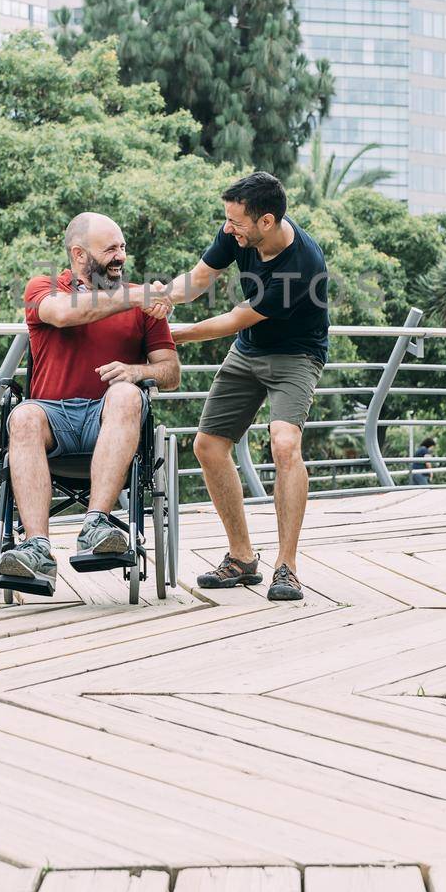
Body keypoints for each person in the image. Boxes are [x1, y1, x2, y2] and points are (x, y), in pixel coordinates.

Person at [157, 170, 328, 602]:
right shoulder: (236, 234)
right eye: (227, 220)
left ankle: (286, 567)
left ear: (265, 222)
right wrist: (159, 301)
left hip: (296, 355)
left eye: (236, 222)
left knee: (284, 443)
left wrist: (168, 337)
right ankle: (242, 558)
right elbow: (196, 282)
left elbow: (233, 320)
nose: (228, 228)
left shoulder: (302, 264)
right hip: (249, 351)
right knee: (208, 445)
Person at [0, 212, 180, 596]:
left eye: (123, 247)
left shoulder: (142, 305)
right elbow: (64, 314)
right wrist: (140, 295)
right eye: (110, 248)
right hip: (53, 418)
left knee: (127, 393)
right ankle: (35, 549)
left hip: (110, 417)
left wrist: (134, 370)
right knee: (24, 415)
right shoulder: (43, 287)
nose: (121, 256)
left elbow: (170, 372)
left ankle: (97, 523)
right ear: (79, 255)